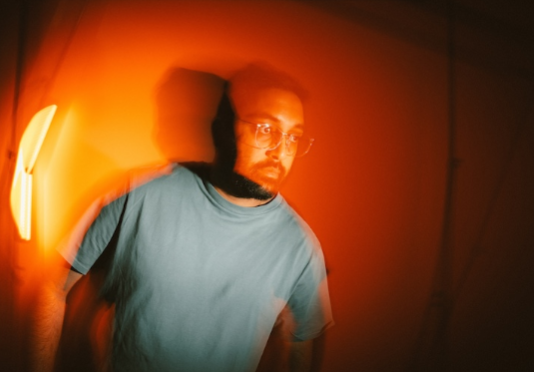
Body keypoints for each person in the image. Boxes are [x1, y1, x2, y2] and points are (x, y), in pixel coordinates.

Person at [32, 63, 333, 372]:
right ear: (224, 128)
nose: (280, 151)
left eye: (293, 137)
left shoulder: (299, 246)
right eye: (266, 129)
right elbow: (54, 286)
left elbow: (303, 342)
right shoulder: (136, 195)